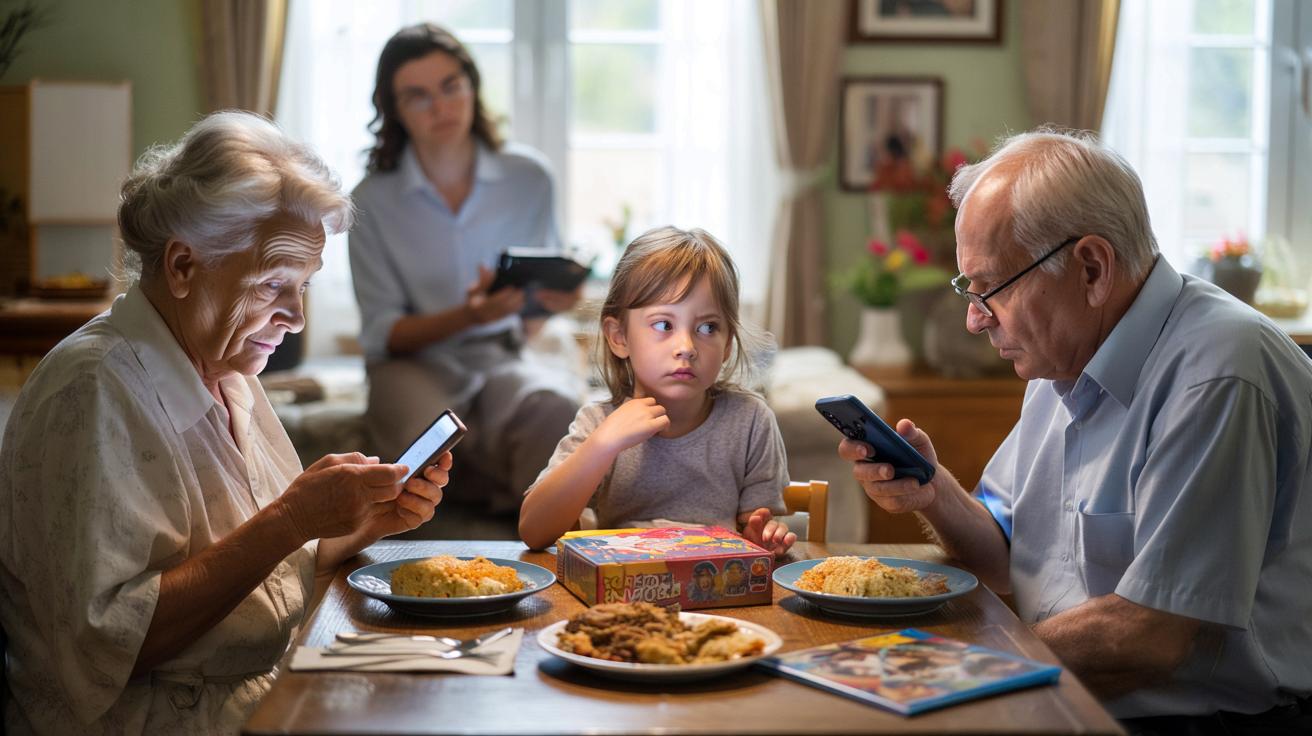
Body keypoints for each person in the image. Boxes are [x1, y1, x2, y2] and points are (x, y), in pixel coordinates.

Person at [840, 129, 1312, 731]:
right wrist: (932, 491)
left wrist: (952, 667)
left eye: (990, 289)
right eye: (969, 289)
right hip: (1069, 690)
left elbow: (1153, 634)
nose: (973, 319)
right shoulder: (1061, 356)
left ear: (1090, 267)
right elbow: (1007, 553)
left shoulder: (1219, 371)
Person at [0, 111, 450, 735]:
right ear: (183, 266)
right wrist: (291, 518)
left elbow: (251, 579)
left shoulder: (231, 373)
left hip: (249, 696)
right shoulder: (94, 388)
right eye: (273, 284)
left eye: (305, 285)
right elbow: (112, 643)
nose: (294, 316)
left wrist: (351, 527)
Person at [349, 23, 581, 514]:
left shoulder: (529, 177)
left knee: (555, 406)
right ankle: (492, 489)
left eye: (451, 86)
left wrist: (550, 301)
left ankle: (523, 518)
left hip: (501, 353)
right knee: (426, 438)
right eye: (418, 96)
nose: (441, 107)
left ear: (472, 85)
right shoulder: (370, 201)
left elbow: (531, 322)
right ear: (394, 111)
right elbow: (383, 335)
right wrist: (468, 315)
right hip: (409, 364)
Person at [519, 226, 796, 556]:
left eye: (708, 327)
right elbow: (534, 532)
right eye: (664, 325)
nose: (687, 347)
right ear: (619, 336)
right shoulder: (599, 422)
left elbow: (758, 528)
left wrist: (761, 536)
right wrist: (602, 446)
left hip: (712, 596)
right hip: (623, 600)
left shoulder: (750, 421)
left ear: (727, 345)